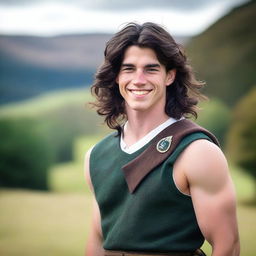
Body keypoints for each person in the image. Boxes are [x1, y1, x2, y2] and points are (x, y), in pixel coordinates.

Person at [84, 22, 240, 256]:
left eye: (151, 69)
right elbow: (98, 239)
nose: (138, 79)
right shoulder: (95, 155)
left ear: (169, 76)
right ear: (116, 77)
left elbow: (227, 246)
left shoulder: (197, 152)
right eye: (128, 69)